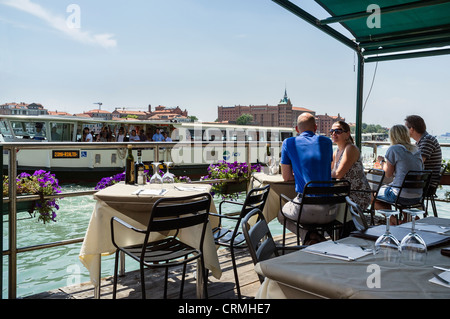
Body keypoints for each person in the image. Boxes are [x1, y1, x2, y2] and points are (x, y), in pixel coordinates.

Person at [277, 113, 334, 244]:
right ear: (315, 127)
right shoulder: (327, 142)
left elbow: (286, 177)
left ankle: (308, 236)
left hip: (306, 209)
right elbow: (327, 168)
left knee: (281, 215)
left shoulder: (289, 142)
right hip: (330, 210)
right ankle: (316, 236)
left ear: (297, 129)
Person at [375, 124, 424, 211]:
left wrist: (381, 161)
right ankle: (405, 219)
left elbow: (388, 174)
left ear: (393, 136)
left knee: (372, 195)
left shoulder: (394, 149)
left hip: (400, 195)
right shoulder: (416, 150)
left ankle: (392, 220)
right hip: (418, 196)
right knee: (395, 190)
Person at [331, 121, 371, 210]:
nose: (333, 133)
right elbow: (330, 172)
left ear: (347, 134)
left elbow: (337, 174)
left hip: (356, 195)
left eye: (338, 131)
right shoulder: (336, 152)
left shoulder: (350, 148)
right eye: (332, 131)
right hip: (343, 192)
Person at [405, 115, 442, 198]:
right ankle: (411, 209)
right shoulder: (421, 141)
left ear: (411, 129)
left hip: (426, 185)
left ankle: (411, 208)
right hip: (421, 183)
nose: (404, 131)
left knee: (384, 189)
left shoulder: (427, 140)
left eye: (405, 128)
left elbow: (417, 163)